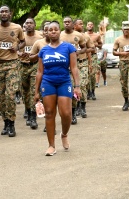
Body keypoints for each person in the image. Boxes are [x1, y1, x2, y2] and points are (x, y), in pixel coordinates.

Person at [34, 21, 81, 156]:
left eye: (55, 29)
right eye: (50, 30)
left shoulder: (68, 48)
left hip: (64, 82)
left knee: (66, 113)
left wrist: (77, 86)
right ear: (46, 33)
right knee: (49, 113)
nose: (53, 31)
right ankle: (51, 145)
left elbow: (74, 68)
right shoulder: (43, 50)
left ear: (59, 31)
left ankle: (64, 134)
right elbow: (39, 72)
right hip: (48, 83)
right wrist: (36, 91)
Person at [0, 5, 25, 137]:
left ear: (10, 14)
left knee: (10, 95)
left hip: (13, 64)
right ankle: (6, 122)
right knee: (1, 96)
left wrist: (17, 48)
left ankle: (12, 123)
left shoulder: (17, 28)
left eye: (6, 11)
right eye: (1, 11)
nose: (3, 13)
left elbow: (23, 42)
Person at [60, 16, 86, 125]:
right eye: (65, 22)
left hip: (76, 65)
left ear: (72, 24)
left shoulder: (78, 35)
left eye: (68, 22)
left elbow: (84, 47)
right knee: (68, 91)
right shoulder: (60, 35)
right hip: (64, 67)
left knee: (76, 88)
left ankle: (74, 112)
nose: (66, 24)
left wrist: (78, 53)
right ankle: (69, 112)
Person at [19, 18, 43, 129]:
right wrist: (20, 53)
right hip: (22, 66)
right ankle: (28, 111)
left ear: (34, 24)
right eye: (26, 23)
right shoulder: (21, 36)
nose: (28, 25)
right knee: (25, 91)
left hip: (35, 66)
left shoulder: (40, 36)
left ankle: (33, 117)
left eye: (31, 23)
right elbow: (15, 48)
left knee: (34, 90)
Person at [29, 21, 50, 132]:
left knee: (49, 99)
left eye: (50, 30)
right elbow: (31, 57)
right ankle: (33, 118)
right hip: (39, 72)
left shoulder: (59, 43)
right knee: (36, 94)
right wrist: (41, 53)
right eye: (46, 30)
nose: (48, 32)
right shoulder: (38, 43)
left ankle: (48, 123)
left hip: (52, 75)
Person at [73, 19, 95, 118]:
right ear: (74, 25)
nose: (82, 25)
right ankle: (76, 106)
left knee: (82, 85)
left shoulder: (85, 36)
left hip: (83, 63)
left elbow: (91, 48)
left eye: (82, 24)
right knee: (74, 86)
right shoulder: (68, 36)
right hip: (72, 65)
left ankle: (83, 107)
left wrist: (81, 51)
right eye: (80, 24)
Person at [86, 21, 103, 100]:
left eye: (91, 25)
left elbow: (100, 46)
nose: (90, 26)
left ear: (93, 26)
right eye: (88, 25)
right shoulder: (83, 35)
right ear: (86, 26)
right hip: (85, 56)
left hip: (93, 56)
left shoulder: (97, 35)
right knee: (86, 75)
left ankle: (92, 91)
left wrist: (96, 44)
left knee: (92, 74)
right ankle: (87, 92)